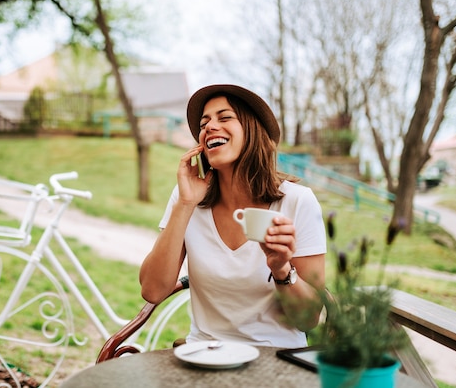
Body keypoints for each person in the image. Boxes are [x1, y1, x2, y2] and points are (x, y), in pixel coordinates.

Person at [139, 84, 326, 348]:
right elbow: (152, 290)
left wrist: (282, 269)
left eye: (224, 117)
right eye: (204, 123)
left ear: (252, 130)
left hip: (276, 360)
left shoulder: (297, 201)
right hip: (205, 355)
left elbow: (309, 319)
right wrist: (185, 204)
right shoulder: (187, 198)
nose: (209, 127)